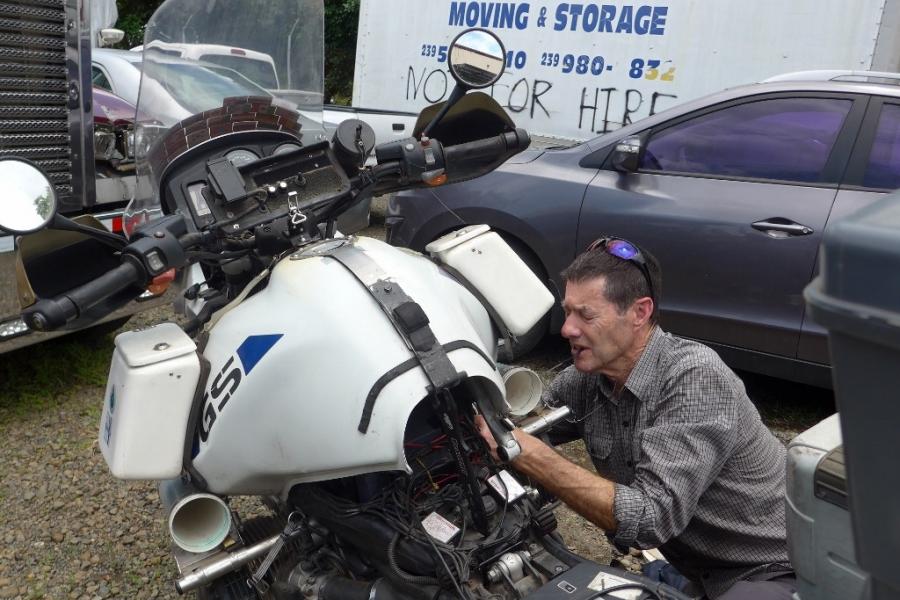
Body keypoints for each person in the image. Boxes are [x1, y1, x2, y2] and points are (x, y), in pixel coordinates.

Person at [475, 237, 795, 600]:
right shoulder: (588, 378)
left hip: (774, 569)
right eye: (567, 312)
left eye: (586, 314)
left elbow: (649, 519)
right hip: (701, 572)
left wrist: (529, 454)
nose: (567, 329)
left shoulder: (695, 378)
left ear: (640, 313)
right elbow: (528, 419)